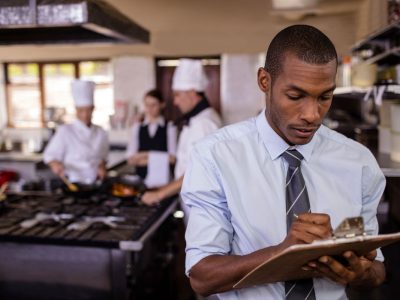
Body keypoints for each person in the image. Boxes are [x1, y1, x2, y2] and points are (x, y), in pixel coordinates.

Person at [182, 25, 386, 299]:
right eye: (295, 96)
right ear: (265, 81)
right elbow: (202, 277)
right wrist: (284, 254)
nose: (312, 115)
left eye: (325, 97)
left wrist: (359, 273)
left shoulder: (358, 162)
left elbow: (376, 271)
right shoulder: (215, 156)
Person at [142, 59, 222, 211]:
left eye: (177, 95)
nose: (176, 102)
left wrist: (159, 194)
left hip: (204, 208)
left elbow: (199, 171)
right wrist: (164, 187)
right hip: (195, 205)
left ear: (191, 93)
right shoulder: (197, 119)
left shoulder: (205, 123)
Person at [43, 80, 109, 184]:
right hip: (72, 182)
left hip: (95, 182)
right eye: (81, 110)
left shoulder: (101, 132)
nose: (85, 115)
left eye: (88, 110)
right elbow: (50, 156)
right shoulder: (65, 131)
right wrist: (55, 164)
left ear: (93, 109)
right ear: (76, 110)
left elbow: (103, 157)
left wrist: (102, 166)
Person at [126, 89, 177, 181]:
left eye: (154, 105)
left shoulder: (170, 127)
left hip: (164, 181)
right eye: (147, 105)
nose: (149, 109)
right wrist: (161, 158)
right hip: (141, 179)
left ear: (162, 104)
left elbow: (173, 158)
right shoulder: (137, 127)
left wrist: (143, 155)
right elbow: (131, 159)